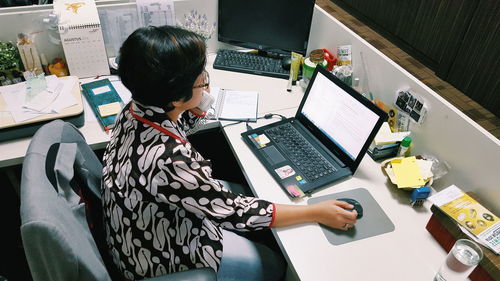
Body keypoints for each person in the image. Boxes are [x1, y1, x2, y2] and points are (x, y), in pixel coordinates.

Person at [101, 25, 358, 281]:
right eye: (200, 77)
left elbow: (174, 123)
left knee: (250, 193)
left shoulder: (137, 107)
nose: (204, 79)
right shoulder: (171, 160)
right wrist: (317, 212)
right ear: (177, 96)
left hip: (137, 228)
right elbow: (237, 212)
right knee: (273, 265)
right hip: (161, 255)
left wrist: (197, 98)